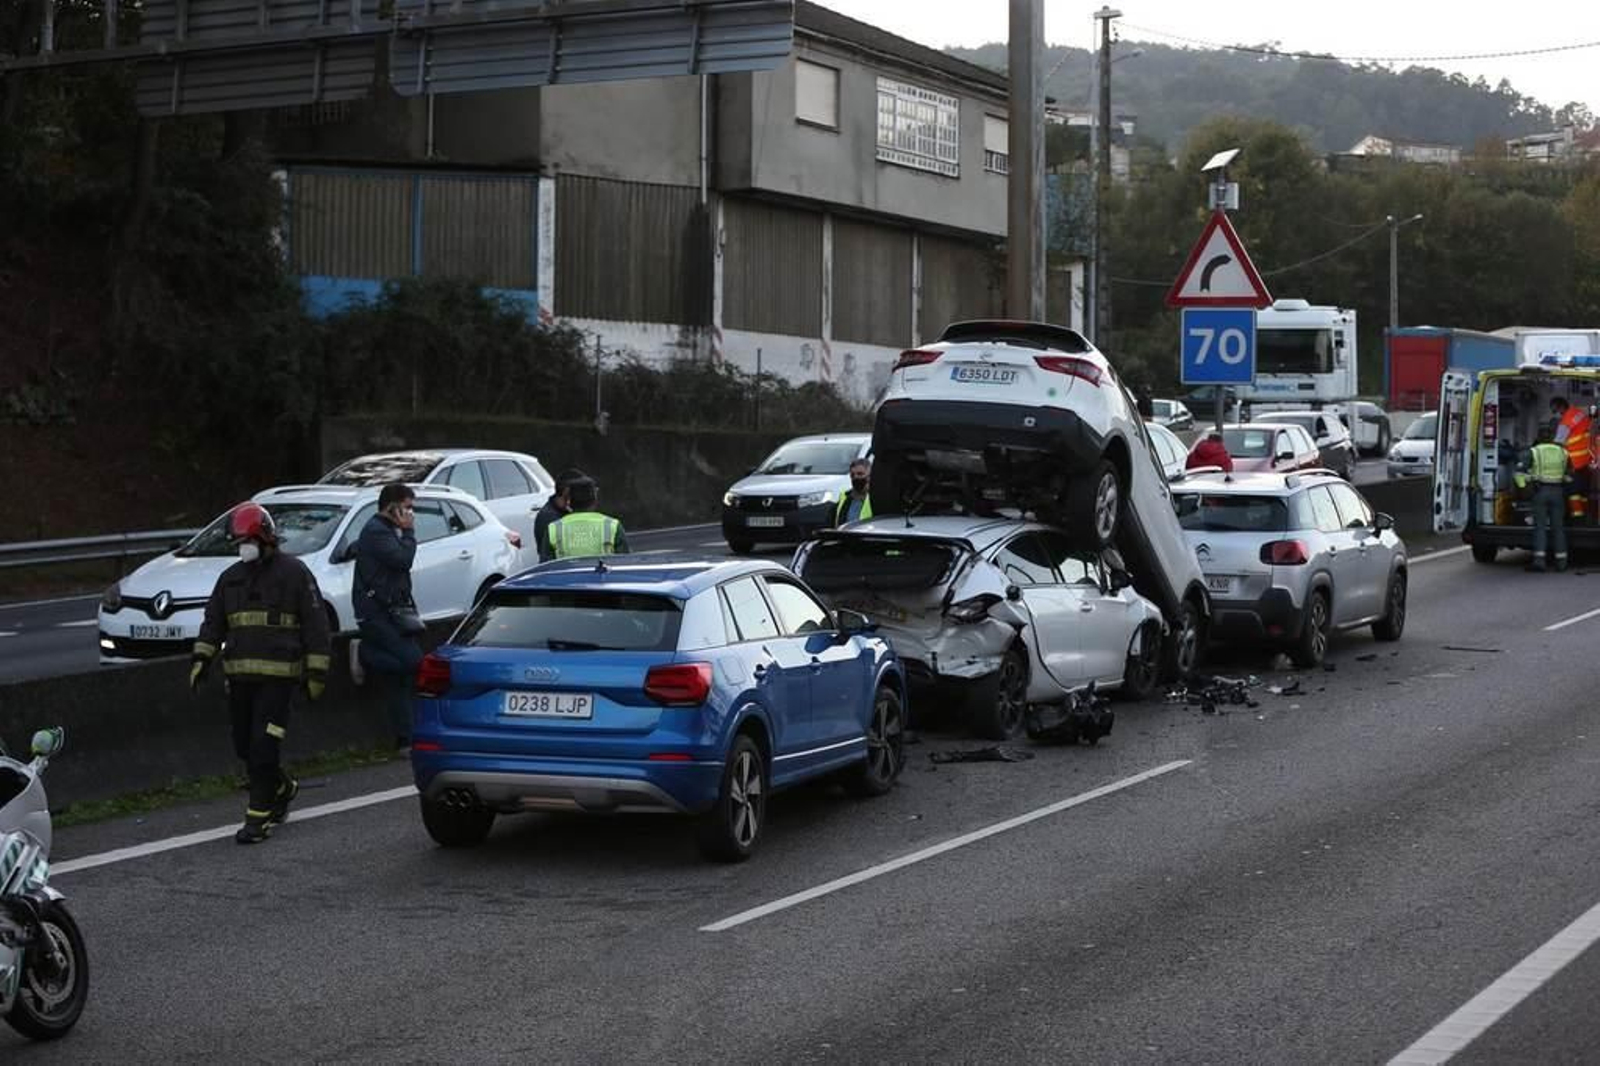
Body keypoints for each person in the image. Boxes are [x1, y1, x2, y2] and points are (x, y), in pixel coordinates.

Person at [190, 503, 331, 845]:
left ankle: (258, 819)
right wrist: (201, 660)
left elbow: (316, 626)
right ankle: (282, 787)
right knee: (244, 747)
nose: (243, 547)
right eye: (239, 541)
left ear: (266, 538)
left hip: (279, 681)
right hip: (239, 680)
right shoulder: (231, 578)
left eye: (248, 540)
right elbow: (213, 623)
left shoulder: (294, 574)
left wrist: (316, 674)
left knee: (263, 747)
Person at [353, 483, 424, 748]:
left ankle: (404, 737)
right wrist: (409, 532)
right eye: (406, 507)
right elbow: (403, 560)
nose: (410, 514)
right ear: (391, 507)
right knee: (414, 662)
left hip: (395, 610)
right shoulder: (376, 531)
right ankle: (364, 653)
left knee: (399, 677)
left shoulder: (385, 530)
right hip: (378, 614)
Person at [1516, 425, 1571, 572]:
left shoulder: (1534, 452)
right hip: (1558, 493)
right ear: (1553, 437)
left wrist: (1524, 490)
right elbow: (1569, 476)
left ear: (1539, 437)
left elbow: (1519, 474)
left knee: (1540, 527)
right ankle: (1562, 562)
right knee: (1558, 528)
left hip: (1540, 492)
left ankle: (1539, 561)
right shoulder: (1563, 453)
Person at [547, 477, 629, 558]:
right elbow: (625, 563)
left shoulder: (553, 529)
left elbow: (545, 568)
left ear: (569, 500)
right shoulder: (613, 526)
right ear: (595, 499)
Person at [534, 468, 587, 563]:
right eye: (581, 490)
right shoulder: (548, 518)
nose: (584, 494)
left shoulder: (568, 510)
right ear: (567, 491)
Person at [836, 458, 873, 525]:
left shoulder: (876, 498)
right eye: (852, 475)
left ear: (870, 476)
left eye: (860, 474)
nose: (856, 477)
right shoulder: (844, 497)